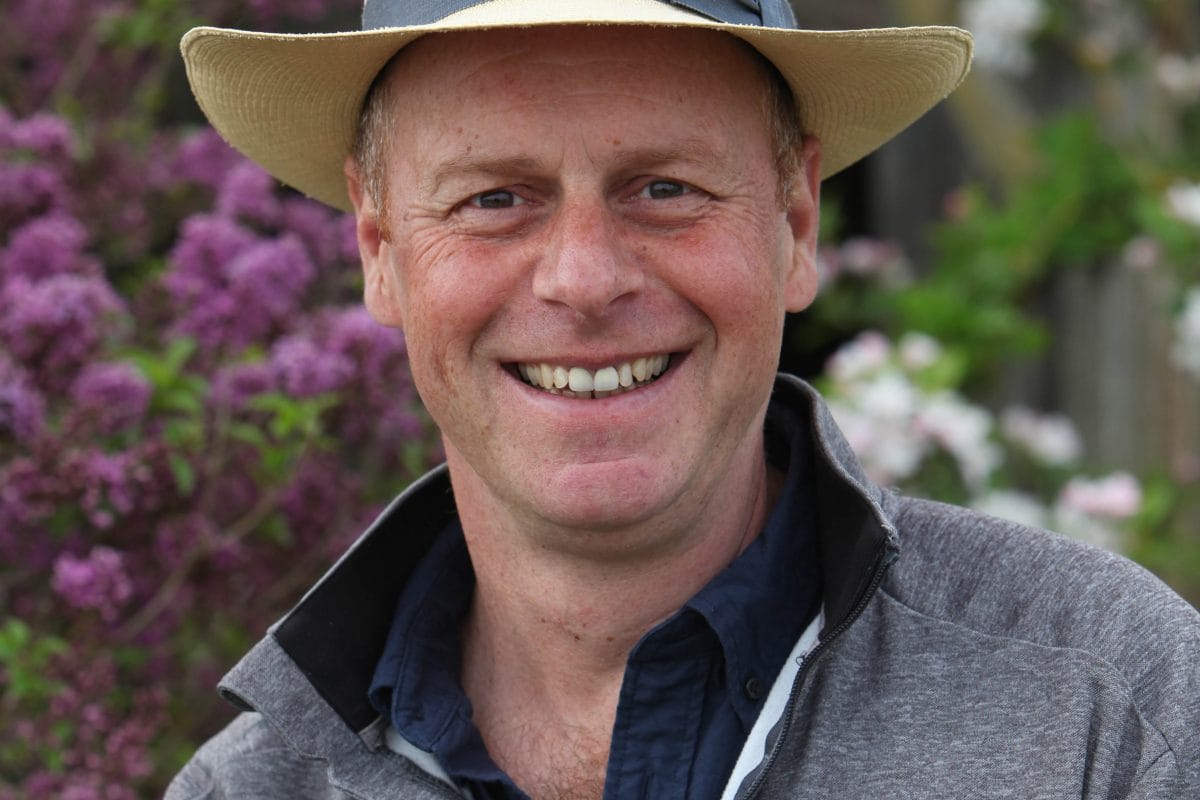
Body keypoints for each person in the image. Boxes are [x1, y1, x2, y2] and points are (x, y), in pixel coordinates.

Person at [168, 2, 1200, 799]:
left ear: (796, 221)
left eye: (664, 188)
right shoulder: (251, 786)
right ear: (381, 251)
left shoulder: (1106, 713)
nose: (584, 277)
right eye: (494, 199)